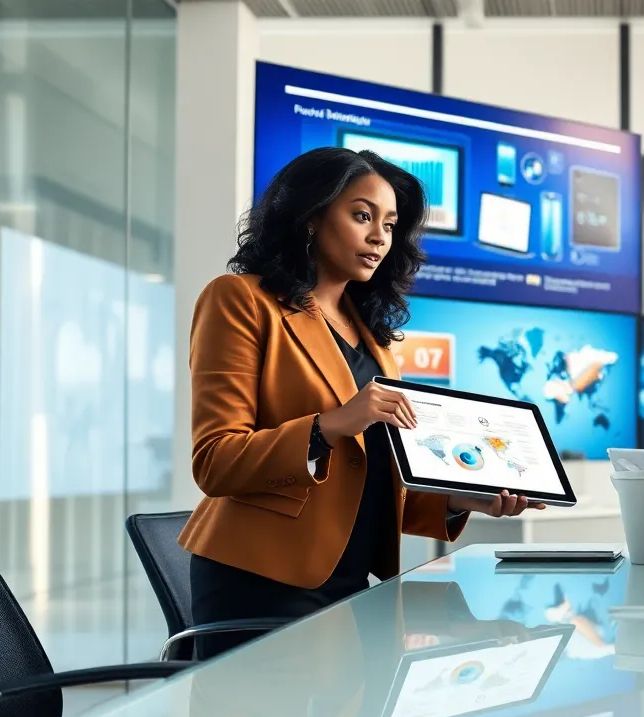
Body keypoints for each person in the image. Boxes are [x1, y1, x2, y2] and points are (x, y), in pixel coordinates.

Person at [181, 147, 542, 660]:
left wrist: (461, 500)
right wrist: (330, 425)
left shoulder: (374, 338)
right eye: (362, 216)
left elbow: (368, 479)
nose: (379, 237)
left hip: (352, 582)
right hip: (260, 578)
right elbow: (216, 461)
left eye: (390, 225)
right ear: (310, 217)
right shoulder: (239, 299)